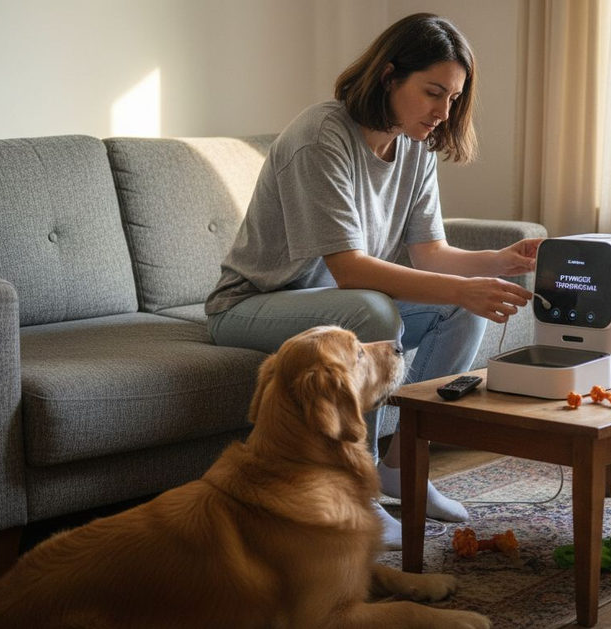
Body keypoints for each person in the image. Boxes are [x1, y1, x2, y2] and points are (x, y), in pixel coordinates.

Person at [205, 12, 543, 549]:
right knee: (375, 311)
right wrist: (461, 287)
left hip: (334, 303)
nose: (443, 111)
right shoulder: (322, 137)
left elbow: (430, 252)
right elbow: (351, 269)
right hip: (253, 304)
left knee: (458, 310)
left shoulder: (414, 146)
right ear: (389, 76)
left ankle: (400, 466)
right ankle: (352, 489)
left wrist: (498, 262)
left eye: (453, 99)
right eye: (434, 92)